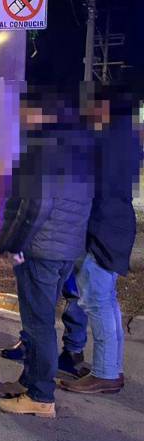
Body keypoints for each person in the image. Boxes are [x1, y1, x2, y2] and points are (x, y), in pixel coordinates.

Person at [0, 95, 95, 417]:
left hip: (40, 249)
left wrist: (12, 243)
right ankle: (31, 381)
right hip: (64, 250)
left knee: (38, 325)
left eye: (25, 111)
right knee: (41, 322)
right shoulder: (79, 150)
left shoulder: (44, 149)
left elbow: (35, 205)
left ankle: (40, 395)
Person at [59, 92, 142, 394]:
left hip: (102, 229)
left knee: (97, 301)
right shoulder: (126, 139)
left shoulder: (107, 143)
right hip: (116, 226)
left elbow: (89, 187)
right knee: (106, 300)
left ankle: (105, 373)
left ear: (105, 107)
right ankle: (111, 369)